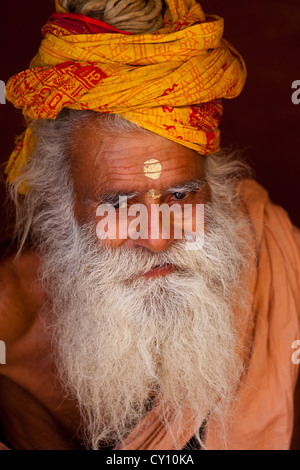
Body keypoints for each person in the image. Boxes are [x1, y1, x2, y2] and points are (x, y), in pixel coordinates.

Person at [0, 0, 299, 450]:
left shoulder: (274, 258)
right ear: (57, 202)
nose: (158, 237)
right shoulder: (11, 319)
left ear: (214, 187)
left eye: (181, 195)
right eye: (119, 204)